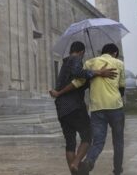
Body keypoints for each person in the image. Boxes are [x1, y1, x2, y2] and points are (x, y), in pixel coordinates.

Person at [51, 43, 126, 175]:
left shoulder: (88, 62)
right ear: (114, 53)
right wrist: (98, 73)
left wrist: (58, 92)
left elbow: (77, 82)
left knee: (86, 142)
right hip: (106, 106)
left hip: (81, 108)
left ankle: (84, 165)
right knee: (105, 139)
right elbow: (121, 88)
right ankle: (116, 170)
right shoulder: (117, 63)